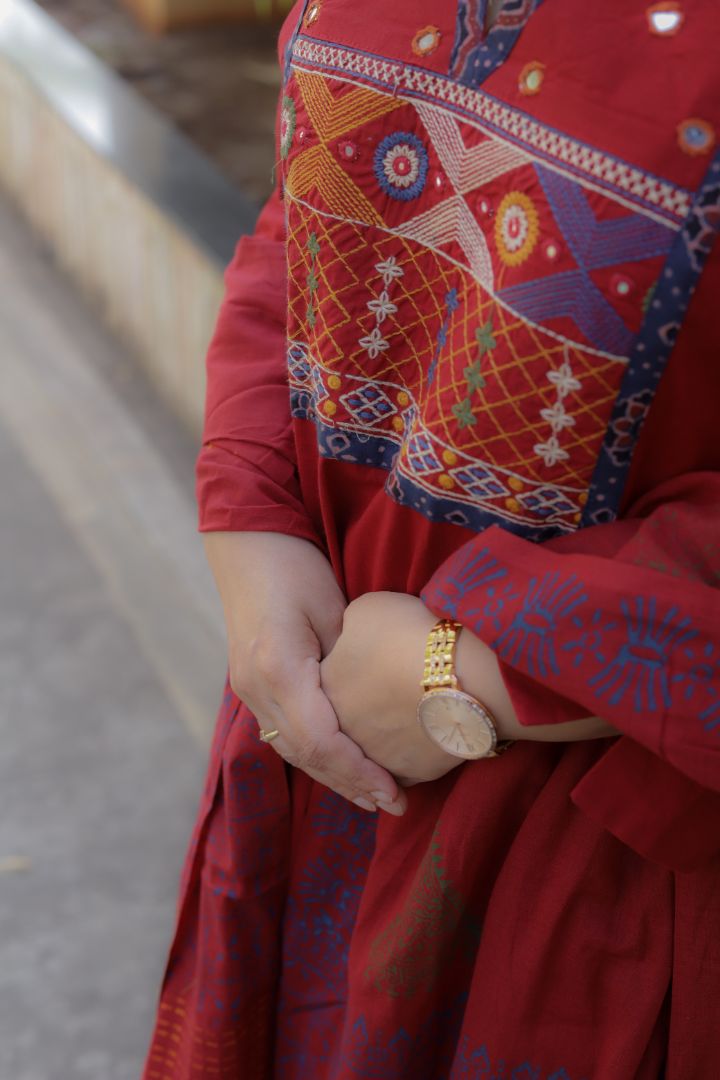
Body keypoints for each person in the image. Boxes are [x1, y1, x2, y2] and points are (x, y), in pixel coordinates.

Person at [143, 0, 720, 1076]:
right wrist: (250, 510)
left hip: (592, 879)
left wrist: (477, 675)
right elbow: (307, 200)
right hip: (320, 754)